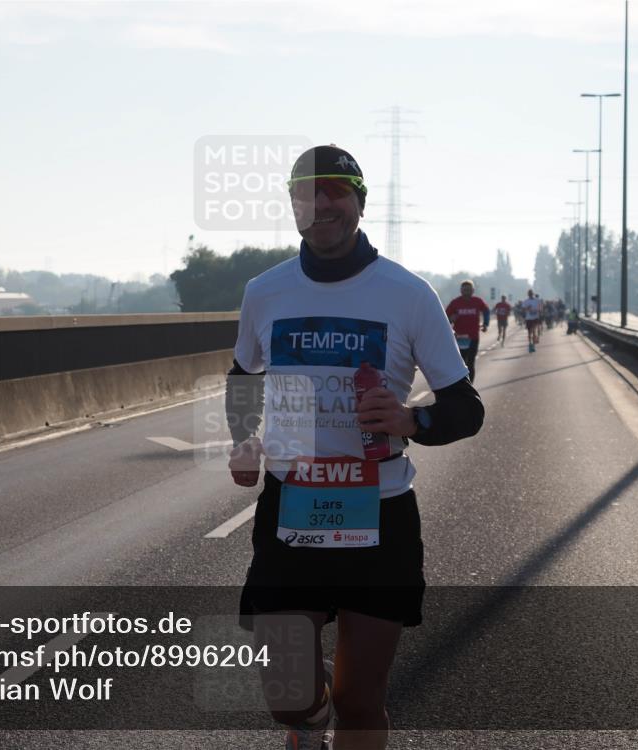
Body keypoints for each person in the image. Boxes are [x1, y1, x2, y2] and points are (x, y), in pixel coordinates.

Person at [226, 145, 484, 750]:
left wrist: (411, 420)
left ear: (359, 202)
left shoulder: (407, 293)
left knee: (360, 700)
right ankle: (306, 726)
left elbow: (466, 410)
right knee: (290, 696)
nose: (322, 204)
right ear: (292, 206)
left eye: (336, 191)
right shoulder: (266, 291)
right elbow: (242, 376)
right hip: (291, 514)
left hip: (380, 515)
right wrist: (242, 437)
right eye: (307, 193)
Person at [444, 281, 490, 383]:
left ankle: (470, 385)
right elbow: (444, 318)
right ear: (461, 290)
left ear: (473, 290)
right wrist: (451, 319)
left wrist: (486, 323)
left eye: (469, 289)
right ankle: (462, 385)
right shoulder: (455, 303)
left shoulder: (477, 301)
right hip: (459, 338)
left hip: (473, 337)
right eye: (465, 290)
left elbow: (486, 311)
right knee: (460, 364)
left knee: (470, 362)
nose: (467, 292)